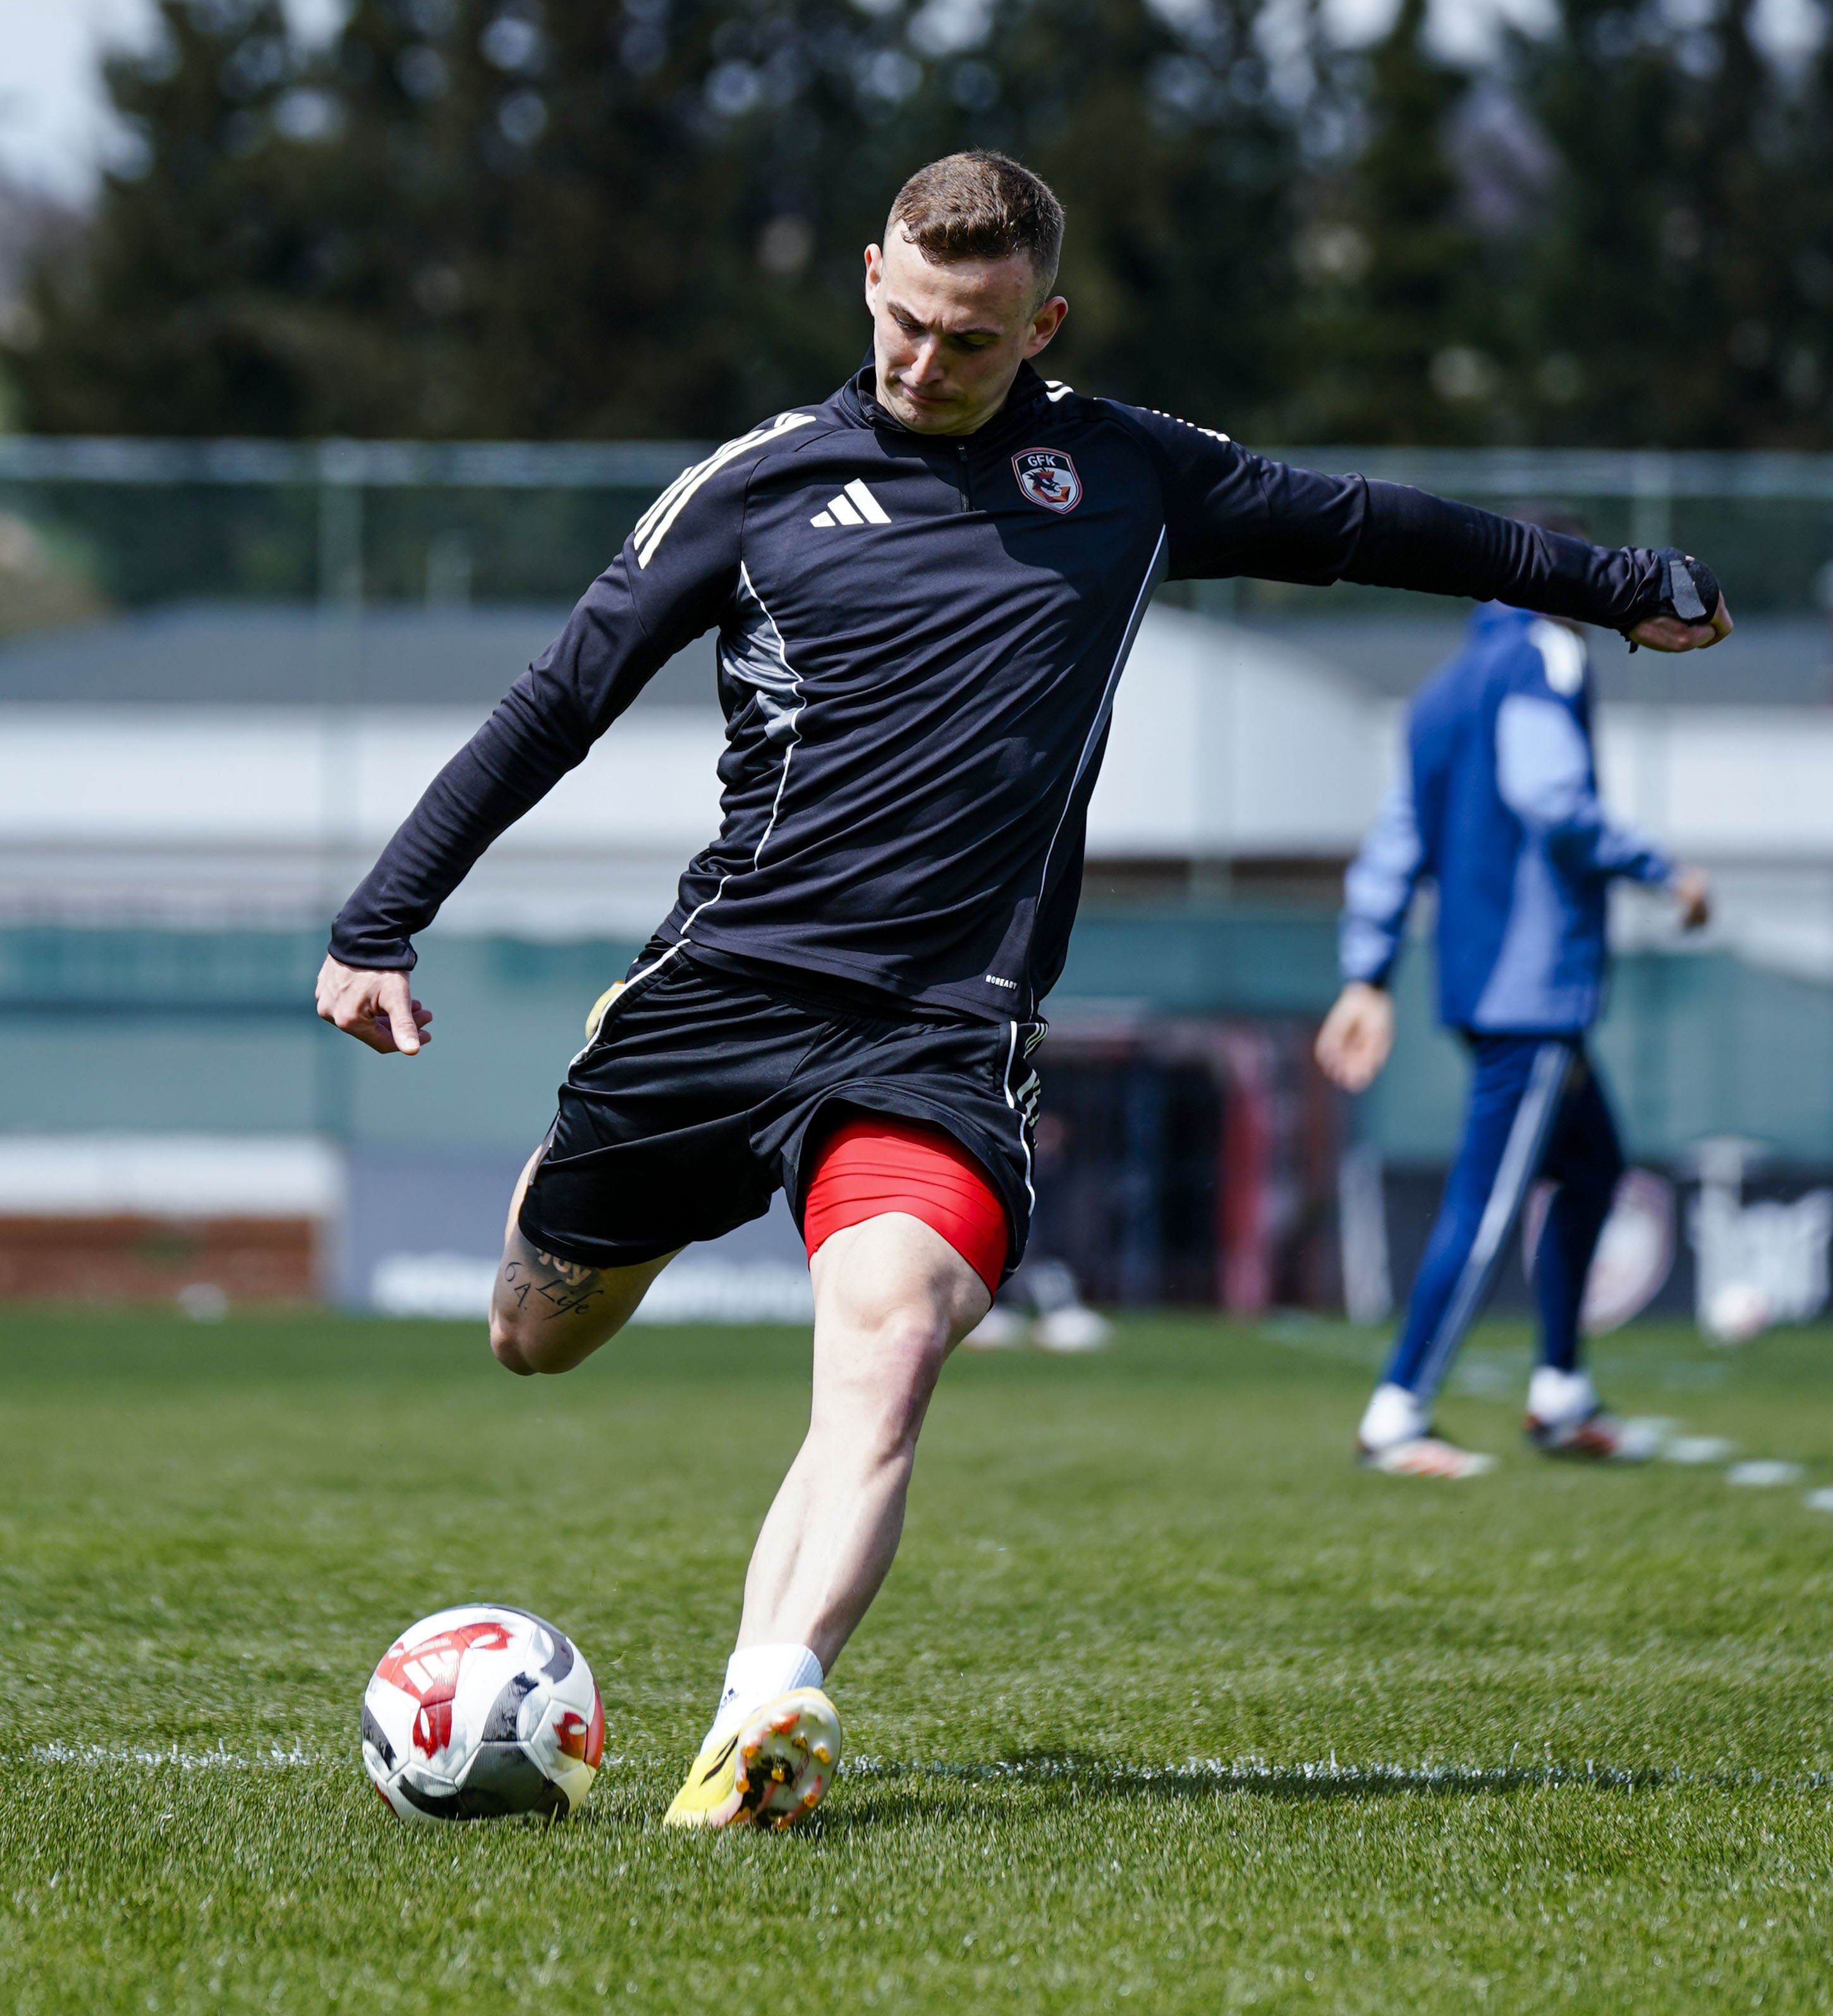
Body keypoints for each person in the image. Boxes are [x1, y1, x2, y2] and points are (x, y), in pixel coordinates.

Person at [317, 152, 1730, 1828]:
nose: (927, 362)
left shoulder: (1125, 473)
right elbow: (560, 697)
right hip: (723, 997)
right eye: (908, 323)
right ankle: (590, 1185)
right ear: (868, 278)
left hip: (942, 1028)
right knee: (532, 1336)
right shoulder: (756, 488)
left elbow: (1363, 525)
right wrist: (381, 919)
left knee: (890, 1335)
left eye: (973, 339)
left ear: (1041, 324)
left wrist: (1616, 586)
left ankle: (765, 1708)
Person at [1315, 558, 1715, 1479]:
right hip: (1530, 995)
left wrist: (1367, 971)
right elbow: (1552, 800)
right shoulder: (1545, 653)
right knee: (1488, 1206)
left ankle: (1561, 1393)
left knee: (1593, 1166)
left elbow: (1396, 841)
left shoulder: (1441, 692)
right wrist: (1664, 872)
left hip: (1480, 986)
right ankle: (1397, 1412)